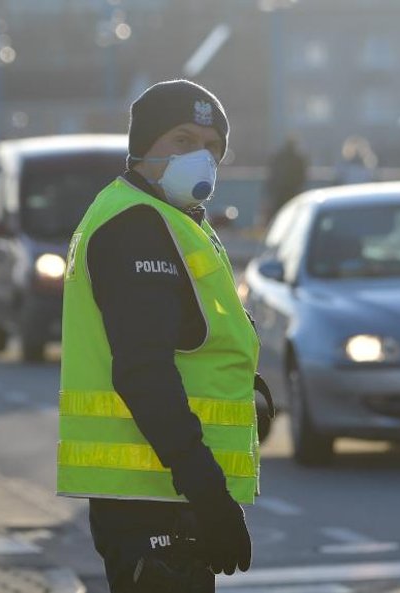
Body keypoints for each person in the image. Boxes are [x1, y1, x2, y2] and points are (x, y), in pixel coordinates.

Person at [57, 79, 266, 593]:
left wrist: (248, 392)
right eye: (183, 140)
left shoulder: (169, 219)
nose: (202, 157)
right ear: (142, 147)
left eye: (213, 147)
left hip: (164, 498)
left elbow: (192, 341)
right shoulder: (135, 225)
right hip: (155, 501)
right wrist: (209, 496)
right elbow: (144, 371)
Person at [262, 135, 308, 222]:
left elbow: (271, 176)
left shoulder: (278, 157)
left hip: (279, 194)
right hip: (292, 193)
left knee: (278, 218)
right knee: (292, 218)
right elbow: (302, 177)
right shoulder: (298, 159)